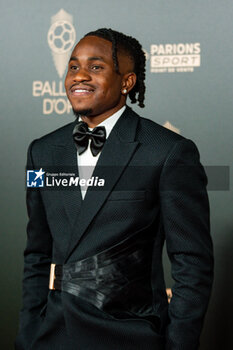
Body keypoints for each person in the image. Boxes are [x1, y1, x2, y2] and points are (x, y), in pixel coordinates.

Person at [16, 28, 214, 350]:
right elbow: (37, 253)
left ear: (127, 82)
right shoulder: (42, 153)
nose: (79, 76)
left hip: (129, 337)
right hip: (52, 337)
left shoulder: (167, 153)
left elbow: (192, 264)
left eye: (96, 67)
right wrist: (27, 336)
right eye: (73, 66)